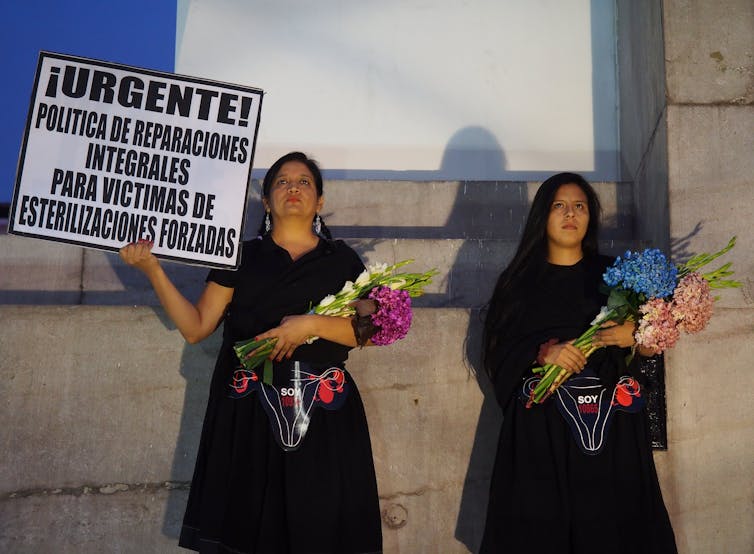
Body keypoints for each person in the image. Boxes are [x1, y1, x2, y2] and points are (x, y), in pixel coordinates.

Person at [120, 152, 382, 553]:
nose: (293, 187)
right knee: (250, 528)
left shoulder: (342, 260)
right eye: (281, 181)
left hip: (323, 415)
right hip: (248, 412)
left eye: (304, 182)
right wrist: (153, 269)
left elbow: (367, 332)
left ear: (320, 201)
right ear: (266, 200)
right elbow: (195, 328)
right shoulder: (240, 256)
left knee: (321, 528)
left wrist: (309, 325)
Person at [479, 173, 677, 553]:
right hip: (542, 434)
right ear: (543, 216)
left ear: (590, 217)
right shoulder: (518, 282)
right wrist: (542, 354)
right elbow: (496, 353)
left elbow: (647, 361)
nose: (571, 214)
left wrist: (639, 336)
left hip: (612, 433)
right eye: (559, 205)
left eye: (580, 206)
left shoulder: (617, 278)